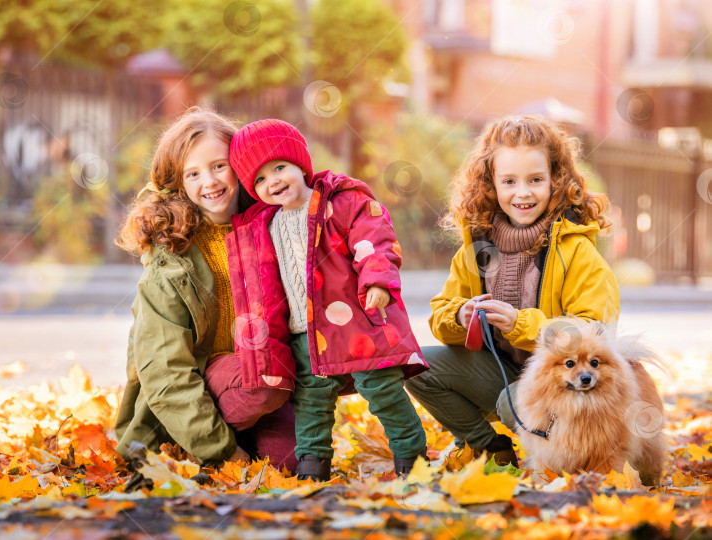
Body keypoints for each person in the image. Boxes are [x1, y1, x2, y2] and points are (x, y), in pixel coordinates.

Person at [405, 115, 619, 466]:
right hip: (499, 371)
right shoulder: (477, 246)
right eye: (509, 181)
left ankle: (561, 453)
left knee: (512, 401)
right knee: (416, 366)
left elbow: (592, 331)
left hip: (562, 380)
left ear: (556, 180)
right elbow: (440, 313)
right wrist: (460, 314)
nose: (523, 192)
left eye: (536, 179)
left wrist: (522, 324)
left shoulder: (577, 250)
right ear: (491, 184)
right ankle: (489, 448)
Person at [226, 119, 429, 481]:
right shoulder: (263, 225)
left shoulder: (341, 202)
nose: (272, 181)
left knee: (381, 390)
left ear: (300, 164)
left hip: (357, 322)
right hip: (303, 333)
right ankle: (312, 464)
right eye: (259, 179)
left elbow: (374, 239)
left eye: (279, 168)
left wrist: (377, 279)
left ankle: (411, 457)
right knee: (312, 400)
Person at [114, 108, 297, 472]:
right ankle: (199, 441)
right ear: (177, 183)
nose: (209, 182)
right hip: (200, 385)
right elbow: (166, 371)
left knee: (289, 466)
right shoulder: (171, 258)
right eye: (192, 173)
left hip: (262, 386)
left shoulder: (272, 224)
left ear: (240, 165)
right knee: (262, 378)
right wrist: (226, 455)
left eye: (218, 166)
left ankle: (237, 434)